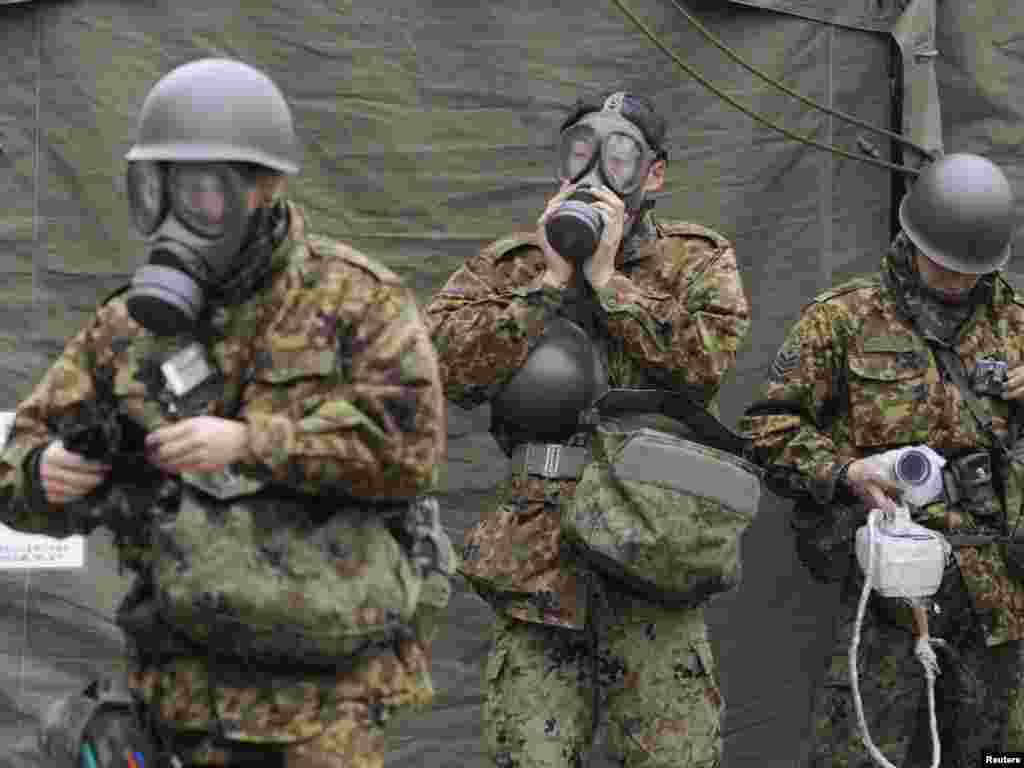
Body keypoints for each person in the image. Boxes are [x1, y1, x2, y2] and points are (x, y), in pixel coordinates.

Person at [0, 58, 448, 767]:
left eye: (206, 191)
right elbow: (19, 456)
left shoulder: (357, 301)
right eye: (166, 190)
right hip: (176, 697)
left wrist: (251, 441)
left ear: (265, 187)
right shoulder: (129, 327)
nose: (184, 212)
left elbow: (412, 453)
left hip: (321, 708)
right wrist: (42, 471)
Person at [426, 91, 751, 767]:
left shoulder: (698, 262)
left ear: (652, 176)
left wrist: (607, 280)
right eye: (581, 151)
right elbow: (445, 371)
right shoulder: (513, 265)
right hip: (541, 553)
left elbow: (703, 366)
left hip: (655, 547)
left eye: (619, 156)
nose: (596, 171)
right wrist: (550, 280)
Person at [740, 152, 1024, 765]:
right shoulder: (843, 320)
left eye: (967, 270)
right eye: (942, 263)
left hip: (999, 597)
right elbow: (766, 430)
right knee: (859, 756)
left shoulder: (1017, 326)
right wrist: (846, 471)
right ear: (913, 236)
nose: (953, 280)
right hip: (891, 596)